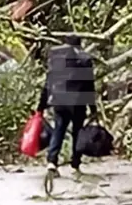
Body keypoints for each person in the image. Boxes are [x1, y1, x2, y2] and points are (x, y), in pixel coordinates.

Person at [36, 34, 97, 175]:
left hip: (59, 101)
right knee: (77, 132)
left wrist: (41, 106)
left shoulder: (56, 60)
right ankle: (75, 163)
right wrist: (93, 108)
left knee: (59, 130)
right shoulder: (85, 59)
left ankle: (52, 161)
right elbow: (89, 85)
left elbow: (48, 84)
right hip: (78, 102)